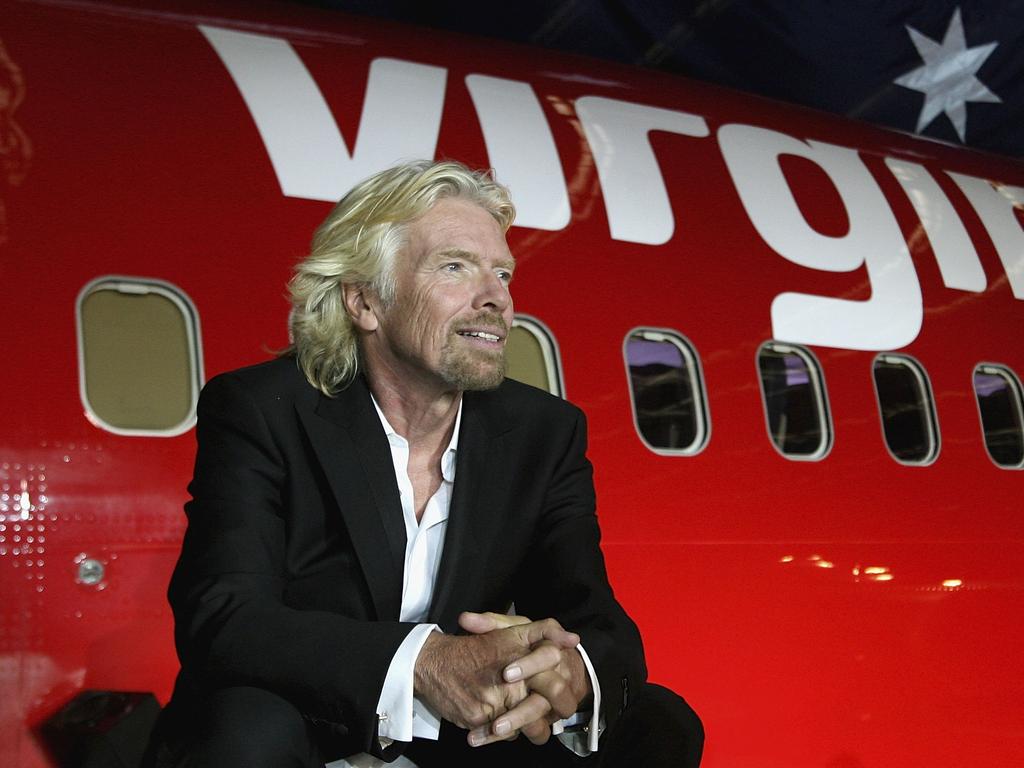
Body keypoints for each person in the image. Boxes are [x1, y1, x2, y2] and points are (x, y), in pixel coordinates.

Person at [145, 160, 703, 768]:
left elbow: (596, 618)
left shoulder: (544, 432)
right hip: (309, 717)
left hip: (459, 737)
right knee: (247, 734)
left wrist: (571, 674)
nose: (496, 298)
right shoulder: (262, 408)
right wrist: (426, 662)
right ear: (365, 303)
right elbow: (224, 617)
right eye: (456, 267)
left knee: (658, 723)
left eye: (503, 273)